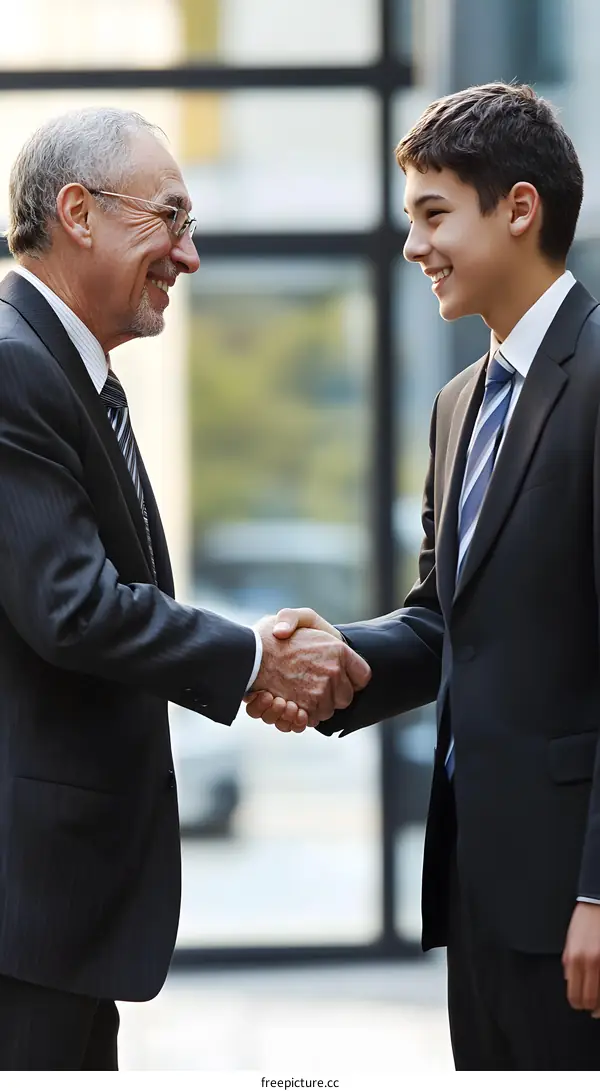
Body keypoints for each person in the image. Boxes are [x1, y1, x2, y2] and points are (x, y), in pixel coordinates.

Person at [0, 107, 371, 1071]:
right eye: (169, 218)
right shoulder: (13, 366)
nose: (189, 255)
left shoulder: (69, 374)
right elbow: (72, 607)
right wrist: (256, 657)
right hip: (23, 913)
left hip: (57, 915)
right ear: (78, 212)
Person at [247, 82, 600, 1070]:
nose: (414, 247)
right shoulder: (457, 404)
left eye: (433, 213)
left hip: (576, 906)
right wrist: (331, 656)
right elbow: (448, 620)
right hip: (478, 891)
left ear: (519, 208)